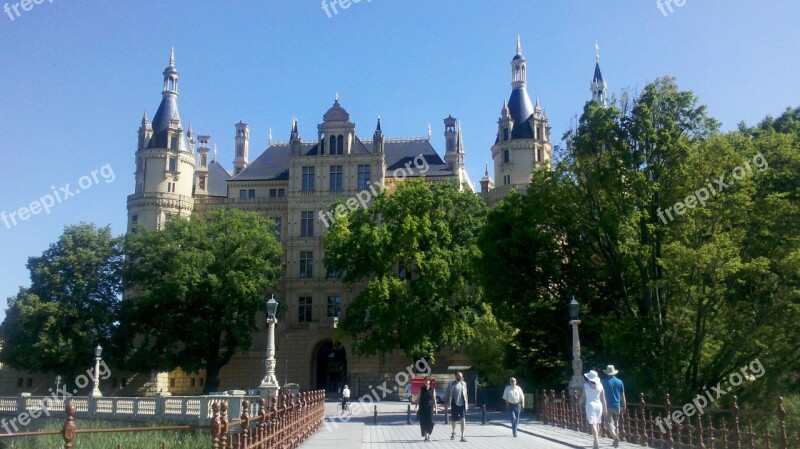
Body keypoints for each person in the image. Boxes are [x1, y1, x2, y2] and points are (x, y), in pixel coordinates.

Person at [579, 370, 608, 449]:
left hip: (590, 405)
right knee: (597, 423)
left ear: (589, 378)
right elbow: (603, 398)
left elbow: (582, 397)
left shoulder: (586, 386)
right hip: (599, 405)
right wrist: (605, 408)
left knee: (593, 424)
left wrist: (579, 404)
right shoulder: (600, 385)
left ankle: (596, 443)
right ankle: (595, 442)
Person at [601, 365, 626, 448]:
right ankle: (615, 441)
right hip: (617, 405)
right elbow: (622, 395)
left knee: (609, 424)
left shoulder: (603, 382)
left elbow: (600, 394)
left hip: (607, 405)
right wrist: (624, 406)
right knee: (616, 424)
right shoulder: (619, 382)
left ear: (607, 373)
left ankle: (616, 437)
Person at [444, 371, 469, 442]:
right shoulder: (451, 384)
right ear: (456, 376)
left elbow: (466, 394)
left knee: (463, 419)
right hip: (454, 403)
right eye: (459, 376)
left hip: (462, 404)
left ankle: (462, 436)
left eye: (461, 376)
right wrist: (446, 404)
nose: (460, 377)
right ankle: (453, 431)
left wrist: (467, 403)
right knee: (454, 420)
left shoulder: (464, 384)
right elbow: (447, 394)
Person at [414, 376, 438, 441]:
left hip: (430, 407)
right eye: (425, 381)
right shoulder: (421, 389)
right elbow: (418, 398)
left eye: (427, 381)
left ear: (429, 382)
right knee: (423, 422)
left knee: (430, 421)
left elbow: (434, 399)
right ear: (424, 382)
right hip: (422, 407)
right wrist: (416, 407)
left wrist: (436, 408)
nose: (426, 382)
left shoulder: (432, 389)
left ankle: (429, 433)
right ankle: (426, 436)